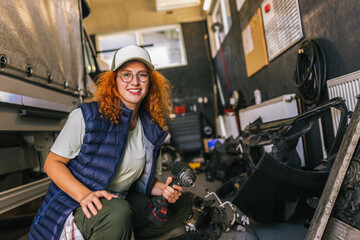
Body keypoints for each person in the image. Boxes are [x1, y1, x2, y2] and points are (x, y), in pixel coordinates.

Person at [28, 45, 192, 240]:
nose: (135, 82)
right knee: (118, 212)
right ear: (114, 81)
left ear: (150, 81)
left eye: (142, 75)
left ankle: (120, 233)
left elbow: (141, 181)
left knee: (181, 203)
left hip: (119, 199)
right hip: (78, 202)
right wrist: (84, 195)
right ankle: (113, 229)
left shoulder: (151, 128)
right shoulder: (87, 116)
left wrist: (164, 190)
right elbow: (52, 163)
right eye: (126, 75)